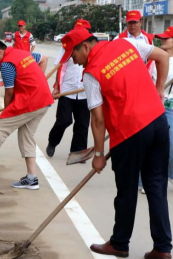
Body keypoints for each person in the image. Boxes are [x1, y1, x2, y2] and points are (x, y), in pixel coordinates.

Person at [59, 28, 172, 258]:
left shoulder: (91, 74)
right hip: (158, 122)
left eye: (73, 55)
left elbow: (98, 120)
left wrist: (99, 154)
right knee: (157, 186)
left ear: (85, 47)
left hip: (130, 133)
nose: (74, 61)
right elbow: (162, 56)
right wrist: (159, 89)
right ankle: (162, 248)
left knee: (127, 190)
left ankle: (119, 243)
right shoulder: (127, 45)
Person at [0, 39, 54, 190]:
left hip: (31, 101)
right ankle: (32, 178)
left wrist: (7, 112)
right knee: (26, 135)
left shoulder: (6, 64)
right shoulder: (22, 53)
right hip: (44, 100)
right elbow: (44, 59)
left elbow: (9, 93)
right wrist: (38, 82)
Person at [115, 10, 155, 193]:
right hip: (126, 87)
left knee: (145, 127)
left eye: (135, 22)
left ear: (141, 22)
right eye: (130, 22)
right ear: (126, 23)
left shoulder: (148, 39)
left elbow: (153, 61)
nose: (133, 25)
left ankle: (144, 173)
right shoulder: (119, 39)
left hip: (145, 86)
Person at [46, 19, 91, 158]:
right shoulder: (66, 47)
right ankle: (52, 141)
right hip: (67, 89)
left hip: (84, 91)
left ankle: (77, 152)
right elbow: (60, 67)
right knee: (64, 120)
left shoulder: (91, 47)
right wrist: (57, 87)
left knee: (82, 124)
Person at [154, 26, 173, 185]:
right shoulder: (154, 59)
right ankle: (146, 181)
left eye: (167, 38)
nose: (163, 40)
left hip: (171, 106)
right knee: (151, 144)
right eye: (162, 37)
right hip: (154, 106)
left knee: (170, 145)